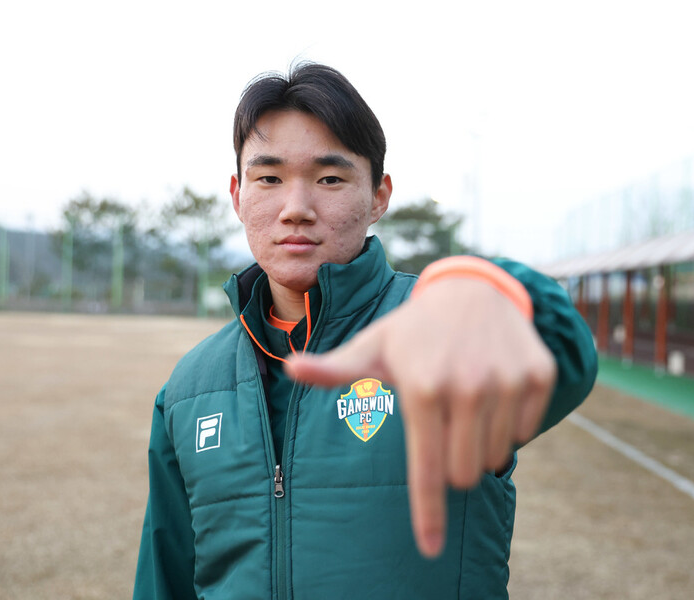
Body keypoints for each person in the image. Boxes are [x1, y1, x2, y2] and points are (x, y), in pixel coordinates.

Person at [133, 62, 597, 600]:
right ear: (237, 194)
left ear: (379, 195)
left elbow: (567, 357)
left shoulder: (435, 329)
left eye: (330, 178)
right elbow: (164, 578)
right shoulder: (189, 388)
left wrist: (501, 290)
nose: (296, 209)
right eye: (269, 178)